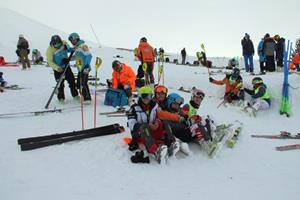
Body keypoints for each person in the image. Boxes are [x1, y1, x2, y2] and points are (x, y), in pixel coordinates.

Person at [128, 86, 178, 164]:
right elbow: (131, 124)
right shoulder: (134, 108)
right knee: (144, 126)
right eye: (144, 96)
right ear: (140, 96)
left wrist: (157, 122)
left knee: (164, 121)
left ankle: (171, 143)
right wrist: (147, 125)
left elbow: (159, 116)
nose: (147, 99)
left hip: (150, 131)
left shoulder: (155, 106)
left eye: (149, 96)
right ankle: (155, 151)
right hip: (139, 133)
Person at [46, 35, 79, 102]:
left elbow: (70, 49)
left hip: (67, 66)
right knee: (60, 84)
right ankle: (61, 98)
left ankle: (75, 95)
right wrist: (57, 68)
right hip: (58, 69)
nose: (57, 45)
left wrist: (70, 48)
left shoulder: (64, 43)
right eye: (55, 44)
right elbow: (49, 62)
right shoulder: (49, 50)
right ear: (52, 43)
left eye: (59, 43)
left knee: (72, 81)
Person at [68, 32, 92, 102]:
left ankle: (87, 99)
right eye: (71, 41)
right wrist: (69, 59)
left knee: (83, 83)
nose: (72, 42)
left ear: (77, 38)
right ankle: (83, 96)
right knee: (79, 84)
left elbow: (89, 55)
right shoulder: (77, 47)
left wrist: (86, 66)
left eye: (73, 40)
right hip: (80, 68)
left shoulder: (83, 46)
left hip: (85, 68)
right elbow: (76, 57)